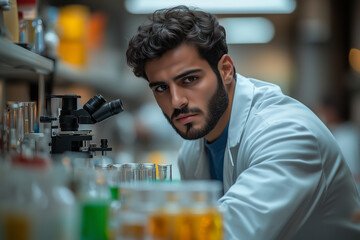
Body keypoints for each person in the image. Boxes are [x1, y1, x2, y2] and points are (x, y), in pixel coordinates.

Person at [126, 5, 360, 239]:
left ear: (225, 70)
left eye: (189, 79)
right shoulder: (192, 151)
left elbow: (230, 233)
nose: (176, 101)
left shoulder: (287, 133)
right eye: (161, 88)